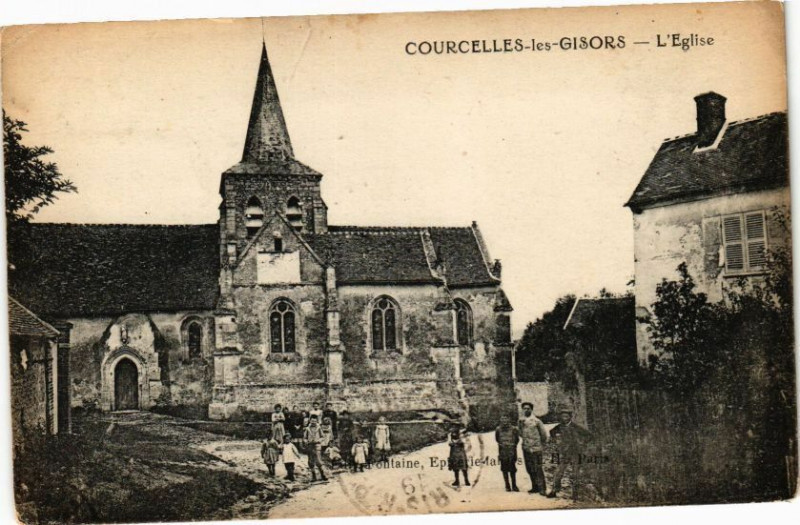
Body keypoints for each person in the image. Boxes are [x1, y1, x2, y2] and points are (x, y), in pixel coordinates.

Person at [547, 405, 592, 499]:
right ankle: (554, 491)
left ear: (570, 417)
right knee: (558, 472)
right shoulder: (558, 427)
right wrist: (556, 440)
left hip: (576, 453)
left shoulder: (576, 427)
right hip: (564, 453)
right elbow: (551, 432)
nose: (564, 419)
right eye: (562, 416)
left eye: (566, 416)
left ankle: (575, 494)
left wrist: (582, 443)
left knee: (575, 473)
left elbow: (588, 435)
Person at [519, 401, 549, 495]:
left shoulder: (537, 421)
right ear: (522, 410)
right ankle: (534, 487)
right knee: (529, 468)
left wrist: (539, 445)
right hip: (526, 448)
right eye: (524, 408)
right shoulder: (521, 421)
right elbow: (520, 434)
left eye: (528, 408)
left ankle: (542, 489)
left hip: (536, 449)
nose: (526, 410)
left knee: (538, 469)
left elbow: (544, 435)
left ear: (531, 410)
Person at [495, 413, 520, 492]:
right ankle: (507, 485)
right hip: (503, 451)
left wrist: (512, 446)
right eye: (503, 419)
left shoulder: (514, 429)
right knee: (504, 468)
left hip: (512, 450)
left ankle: (514, 485)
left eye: (506, 418)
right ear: (500, 420)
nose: (504, 420)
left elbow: (517, 440)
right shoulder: (498, 429)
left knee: (512, 468)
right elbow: (497, 439)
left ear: (509, 419)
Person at [303, 414, 328, 481]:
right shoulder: (307, 429)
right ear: (310, 421)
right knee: (311, 461)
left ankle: (323, 474)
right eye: (312, 421)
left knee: (318, 461)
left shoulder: (319, 428)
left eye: (315, 421)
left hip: (317, 446)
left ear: (317, 421)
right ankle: (314, 476)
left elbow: (322, 437)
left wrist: (318, 440)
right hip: (310, 446)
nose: (313, 422)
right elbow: (304, 438)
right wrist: (306, 441)